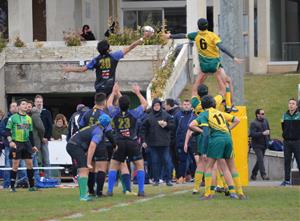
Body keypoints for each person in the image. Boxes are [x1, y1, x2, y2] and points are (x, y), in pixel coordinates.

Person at [163, 18, 243, 111]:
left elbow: (182, 35)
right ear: (207, 25)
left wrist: (170, 36)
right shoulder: (212, 36)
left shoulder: (196, 35)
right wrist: (234, 57)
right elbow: (222, 48)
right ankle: (230, 105)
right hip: (214, 64)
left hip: (204, 65)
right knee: (227, 82)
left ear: (198, 27)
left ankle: (194, 105)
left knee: (197, 85)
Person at [63, 31, 152, 95]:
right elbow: (130, 47)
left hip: (99, 88)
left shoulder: (96, 60)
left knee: (100, 108)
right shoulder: (114, 56)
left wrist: (69, 69)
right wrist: (142, 38)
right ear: (108, 49)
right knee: (117, 102)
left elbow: (82, 69)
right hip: (110, 88)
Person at [189, 95, 240, 200]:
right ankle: (237, 192)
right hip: (228, 138)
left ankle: (208, 193)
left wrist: (201, 132)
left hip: (216, 140)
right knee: (229, 167)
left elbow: (191, 125)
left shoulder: (205, 114)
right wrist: (228, 129)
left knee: (209, 167)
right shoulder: (219, 112)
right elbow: (237, 120)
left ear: (203, 106)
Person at [106, 82, 148, 196]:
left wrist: (114, 92)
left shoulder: (114, 113)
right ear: (129, 105)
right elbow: (145, 104)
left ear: (119, 105)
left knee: (113, 166)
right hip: (132, 142)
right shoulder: (133, 113)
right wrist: (138, 93)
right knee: (139, 165)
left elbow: (108, 103)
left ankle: (110, 191)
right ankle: (141, 190)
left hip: (119, 142)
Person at [66, 114, 112, 201]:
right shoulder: (99, 131)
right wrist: (88, 162)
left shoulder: (94, 127)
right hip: (75, 146)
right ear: (107, 124)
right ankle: (83, 196)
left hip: (72, 144)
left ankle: (83, 194)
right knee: (84, 168)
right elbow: (92, 146)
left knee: (82, 169)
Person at [79, 92, 116, 197]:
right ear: (104, 102)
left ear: (95, 101)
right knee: (101, 167)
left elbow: (80, 128)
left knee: (91, 166)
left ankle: (91, 191)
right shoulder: (104, 115)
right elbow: (108, 132)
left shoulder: (86, 113)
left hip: (88, 143)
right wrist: (114, 144)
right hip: (99, 142)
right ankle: (99, 192)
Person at [5, 99, 38, 192]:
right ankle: (12, 187)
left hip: (27, 143)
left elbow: (30, 134)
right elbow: (7, 131)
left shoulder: (29, 118)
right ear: (19, 106)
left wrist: (33, 145)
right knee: (15, 165)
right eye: (23, 104)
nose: (25, 106)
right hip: (17, 143)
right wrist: (10, 141)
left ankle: (31, 187)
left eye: (26, 104)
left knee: (30, 164)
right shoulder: (13, 118)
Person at [141, 98, 175, 186]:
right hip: (152, 143)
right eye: (155, 105)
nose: (156, 107)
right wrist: (144, 141)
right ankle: (156, 180)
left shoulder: (166, 115)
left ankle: (168, 179)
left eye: (158, 105)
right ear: (152, 106)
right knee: (155, 162)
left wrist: (166, 125)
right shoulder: (148, 116)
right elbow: (143, 129)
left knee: (167, 161)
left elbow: (173, 126)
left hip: (164, 143)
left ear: (160, 106)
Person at [174, 99, 197, 183]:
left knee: (195, 160)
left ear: (191, 106)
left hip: (193, 142)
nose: (186, 106)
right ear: (182, 105)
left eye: (188, 104)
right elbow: (174, 128)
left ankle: (198, 177)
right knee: (181, 160)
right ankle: (181, 177)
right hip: (181, 141)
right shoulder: (178, 115)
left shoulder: (194, 115)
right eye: (184, 104)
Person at [281, 98, 300, 186]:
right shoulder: (284, 115)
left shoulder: (299, 115)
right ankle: (287, 181)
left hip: (297, 142)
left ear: (296, 106)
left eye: (293, 103)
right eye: (290, 103)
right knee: (287, 162)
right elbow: (283, 127)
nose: (291, 105)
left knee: (299, 161)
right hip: (287, 142)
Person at [249, 109, 270, 181]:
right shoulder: (253, 123)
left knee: (259, 160)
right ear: (257, 114)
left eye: (264, 113)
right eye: (262, 113)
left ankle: (253, 174)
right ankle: (263, 175)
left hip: (264, 144)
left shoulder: (265, 121)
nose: (263, 115)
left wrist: (268, 140)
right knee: (260, 159)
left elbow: (268, 131)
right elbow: (251, 134)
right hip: (256, 145)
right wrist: (262, 133)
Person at [0, 102, 18, 188]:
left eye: (16, 106)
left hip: (19, 145)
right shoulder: (5, 120)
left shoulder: (21, 119)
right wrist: (9, 133)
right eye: (13, 106)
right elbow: (2, 131)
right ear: (10, 109)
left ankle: (22, 183)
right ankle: (7, 184)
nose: (15, 108)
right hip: (8, 146)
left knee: (20, 164)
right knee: (8, 164)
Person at [34, 95, 52, 177]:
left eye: (40, 102)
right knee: (36, 160)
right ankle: (37, 178)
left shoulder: (47, 112)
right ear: (35, 103)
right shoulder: (31, 113)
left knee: (46, 159)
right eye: (37, 102)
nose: (39, 103)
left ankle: (48, 177)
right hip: (35, 140)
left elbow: (49, 126)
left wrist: (46, 137)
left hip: (44, 140)